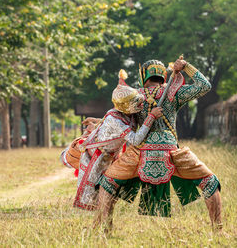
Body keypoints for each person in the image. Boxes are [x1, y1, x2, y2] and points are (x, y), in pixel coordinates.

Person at [96, 57, 223, 232]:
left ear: (143, 75)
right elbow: (205, 86)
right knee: (210, 182)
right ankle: (218, 230)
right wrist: (187, 67)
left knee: (107, 183)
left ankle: (105, 230)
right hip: (171, 151)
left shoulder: (136, 95)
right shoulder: (174, 92)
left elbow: (117, 117)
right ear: (163, 75)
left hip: (140, 152)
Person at [60, 70, 163, 211]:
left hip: (112, 156)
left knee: (111, 194)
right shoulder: (115, 119)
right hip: (98, 158)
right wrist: (151, 117)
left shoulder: (126, 113)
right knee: (100, 196)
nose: (140, 104)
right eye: (135, 102)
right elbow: (135, 139)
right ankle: (100, 225)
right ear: (125, 106)